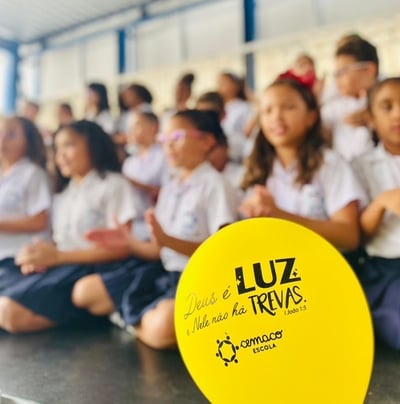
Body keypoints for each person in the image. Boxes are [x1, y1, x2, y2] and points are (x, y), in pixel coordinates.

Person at [75, 110, 239, 349]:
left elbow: (222, 253)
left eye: (178, 137)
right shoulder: (171, 186)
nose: (169, 146)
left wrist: (168, 241)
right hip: (163, 272)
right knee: (85, 292)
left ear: (206, 141)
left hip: (197, 278)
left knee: (164, 327)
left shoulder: (216, 184)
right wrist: (128, 241)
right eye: (164, 140)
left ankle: (133, 321)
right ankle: (143, 324)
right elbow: (156, 251)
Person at [0, 121, 136, 333]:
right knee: (6, 307)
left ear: (94, 145)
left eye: (69, 145)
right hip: (64, 266)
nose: (61, 155)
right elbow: (59, 242)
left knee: (9, 312)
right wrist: (36, 256)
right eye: (57, 149)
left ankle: (98, 312)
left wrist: (59, 257)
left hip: (96, 267)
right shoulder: (64, 195)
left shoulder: (113, 184)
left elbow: (124, 246)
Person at [239, 78, 366, 252]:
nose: (276, 116)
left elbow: (349, 236)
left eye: (288, 107)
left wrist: (279, 215)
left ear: (311, 117)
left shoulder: (330, 164)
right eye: (267, 111)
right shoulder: (256, 169)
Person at [350, 77, 400, 357]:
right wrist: (381, 202)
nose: (399, 114)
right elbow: (358, 236)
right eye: (386, 107)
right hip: (390, 270)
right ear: (371, 119)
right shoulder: (361, 166)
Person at [0, 117, 51, 292]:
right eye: (1, 132)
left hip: (17, 259)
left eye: (11, 134)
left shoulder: (32, 173)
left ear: (27, 142)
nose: (3, 139)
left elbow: (39, 220)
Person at [321, 36, 379, 161]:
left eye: (342, 72)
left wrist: (377, 115)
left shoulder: (395, 95)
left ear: (369, 69)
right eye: (336, 74)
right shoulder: (335, 107)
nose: (337, 79)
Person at [122, 112, 168, 240]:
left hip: (159, 226)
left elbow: (169, 192)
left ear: (153, 127)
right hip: (134, 224)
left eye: (136, 125)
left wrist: (137, 185)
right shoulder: (129, 163)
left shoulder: (164, 156)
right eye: (129, 127)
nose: (131, 131)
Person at [217, 72, 252, 163]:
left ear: (236, 85)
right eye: (219, 83)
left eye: (224, 83)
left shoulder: (244, 107)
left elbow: (247, 132)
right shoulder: (219, 107)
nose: (221, 86)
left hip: (238, 155)